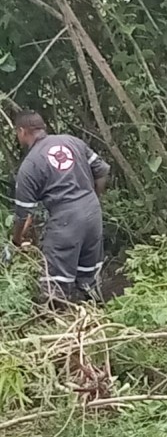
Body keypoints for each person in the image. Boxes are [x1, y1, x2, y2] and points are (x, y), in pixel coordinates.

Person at [11, 110, 110, 303]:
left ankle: (59, 324)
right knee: (88, 281)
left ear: (22, 132)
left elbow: (24, 215)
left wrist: (16, 240)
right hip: (92, 212)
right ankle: (93, 319)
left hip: (66, 220)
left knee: (54, 287)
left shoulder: (30, 165)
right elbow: (102, 171)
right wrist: (92, 199)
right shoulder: (72, 141)